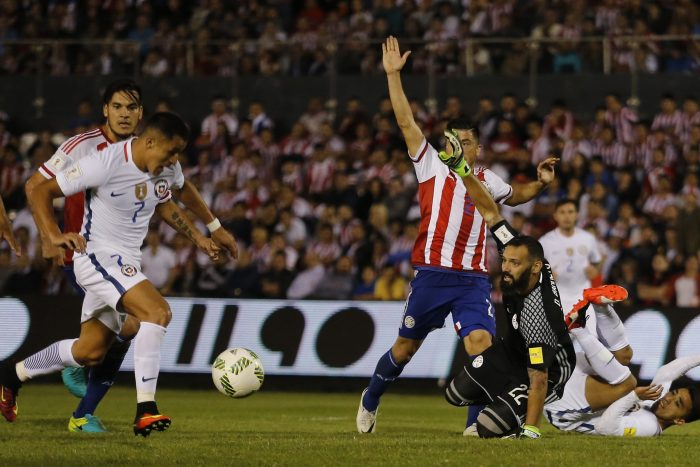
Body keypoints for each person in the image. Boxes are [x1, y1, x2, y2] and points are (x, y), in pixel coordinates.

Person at [356, 36, 559, 435]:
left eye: (466, 142)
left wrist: (541, 184)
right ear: (445, 143)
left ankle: (473, 428)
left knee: (481, 344)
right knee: (404, 348)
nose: (460, 147)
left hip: (472, 279)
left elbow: (516, 196)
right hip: (432, 273)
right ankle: (371, 398)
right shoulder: (431, 164)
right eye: (454, 141)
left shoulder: (486, 178)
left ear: (478, 147)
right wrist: (393, 77)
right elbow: (404, 121)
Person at [24, 79, 238, 433]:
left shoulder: (153, 152)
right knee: (141, 320)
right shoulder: (84, 147)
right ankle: (116, 408)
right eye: (117, 107)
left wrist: (207, 231)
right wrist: (50, 238)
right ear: (105, 109)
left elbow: (173, 194)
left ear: (142, 115)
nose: (124, 114)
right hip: (84, 251)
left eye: (132, 107)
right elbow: (36, 187)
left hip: (124, 256)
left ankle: (36, 379)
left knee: (101, 344)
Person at [439, 152, 575, 439]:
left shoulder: (539, 314)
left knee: (488, 429)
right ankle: (506, 396)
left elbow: (538, 379)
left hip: (549, 368)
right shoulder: (517, 251)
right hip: (512, 350)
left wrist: (531, 430)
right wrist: (464, 170)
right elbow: (490, 211)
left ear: (536, 267)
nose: (506, 267)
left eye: (514, 264)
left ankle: (514, 417)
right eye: (506, 260)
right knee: (454, 393)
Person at [545, 287, 700, 436]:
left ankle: (578, 328)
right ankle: (600, 306)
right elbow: (667, 372)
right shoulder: (655, 403)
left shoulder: (650, 427)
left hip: (563, 409)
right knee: (624, 356)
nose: (668, 399)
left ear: (679, 420)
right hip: (577, 382)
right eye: (673, 393)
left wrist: (633, 396)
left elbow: (605, 428)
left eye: (677, 404)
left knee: (628, 384)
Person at [539, 199, 602, 315]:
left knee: (589, 333)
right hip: (556, 296)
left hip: (583, 295)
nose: (567, 216)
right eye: (562, 212)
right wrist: (545, 275)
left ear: (577, 215)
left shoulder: (588, 238)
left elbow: (597, 261)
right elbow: (534, 268)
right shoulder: (545, 241)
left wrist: (595, 270)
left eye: (570, 212)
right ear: (555, 216)